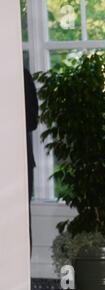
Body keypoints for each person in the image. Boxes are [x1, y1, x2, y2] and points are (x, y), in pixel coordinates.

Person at [23, 67, 39, 254]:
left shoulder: (21, 74)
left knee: (18, 218)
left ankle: (21, 277)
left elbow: (31, 121)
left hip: (18, 163)